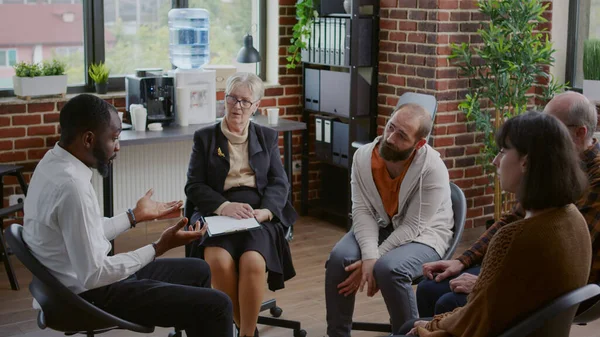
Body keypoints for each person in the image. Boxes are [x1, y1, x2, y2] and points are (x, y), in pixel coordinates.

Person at [22, 94, 233, 337]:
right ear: (88, 139)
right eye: (113, 138)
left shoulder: (52, 163)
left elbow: (83, 231)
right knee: (218, 305)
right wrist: (159, 246)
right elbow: (95, 274)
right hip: (90, 295)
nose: (118, 146)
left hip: (72, 283)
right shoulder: (72, 187)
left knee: (199, 270)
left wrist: (134, 216)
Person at [404, 111, 592, 336]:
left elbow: (475, 324)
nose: (495, 161)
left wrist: (427, 329)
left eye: (503, 151)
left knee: (410, 326)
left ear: (526, 162)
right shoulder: (572, 218)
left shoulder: (515, 238)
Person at [324, 103, 454, 336]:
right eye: (390, 127)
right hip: (381, 226)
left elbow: (413, 226)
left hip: (425, 235)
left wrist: (373, 261)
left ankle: (407, 334)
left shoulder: (432, 168)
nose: (391, 138)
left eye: (402, 135)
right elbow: (362, 211)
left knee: (389, 269)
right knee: (339, 259)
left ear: (420, 143)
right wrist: (370, 257)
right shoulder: (363, 158)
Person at [185, 72, 297, 337]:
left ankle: (246, 333)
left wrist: (267, 212)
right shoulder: (205, 137)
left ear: (256, 106)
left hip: (255, 212)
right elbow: (194, 186)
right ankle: (247, 328)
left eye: (245, 101)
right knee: (219, 261)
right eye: (232, 98)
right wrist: (223, 206)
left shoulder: (266, 137)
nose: (237, 106)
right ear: (224, 100)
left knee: (253, 262)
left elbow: (279, 182)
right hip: (216, 210)